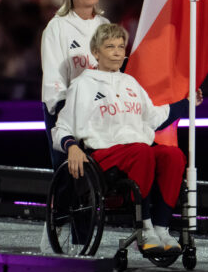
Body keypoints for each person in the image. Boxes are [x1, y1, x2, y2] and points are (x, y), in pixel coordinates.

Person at [52, 23, 198, 253]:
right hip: (104, 156)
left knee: (173, 155)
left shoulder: (131, 83)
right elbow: (61, 126)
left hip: (138, 152)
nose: (118, 52)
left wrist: (187, 104)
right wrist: (71, 146)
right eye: (110, 46)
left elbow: (154, 117)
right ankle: (145, 227)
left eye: (121, 46)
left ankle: (161, 228)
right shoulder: (82, 85)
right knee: (143, 151)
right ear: (96, 52)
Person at [40, 0, 109, 170]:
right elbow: (53, 80)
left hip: (102, 112)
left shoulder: (105, 25)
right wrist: (65, 118)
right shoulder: (57, 27)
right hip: (66, 111)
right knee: (71, 180)